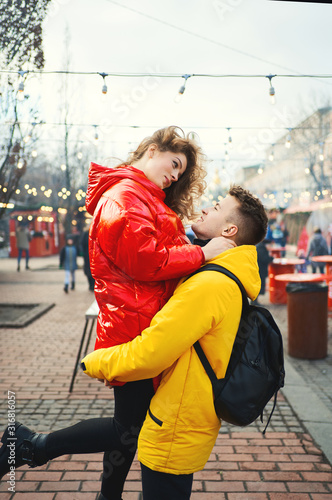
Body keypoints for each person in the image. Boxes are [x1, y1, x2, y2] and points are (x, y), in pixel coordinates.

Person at [0, 127, 232, 499]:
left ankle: (107, 494)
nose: (174, 176)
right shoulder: (125, 197)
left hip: (143, 325)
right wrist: (203, 253)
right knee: (129, 427)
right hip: (133, 329)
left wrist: (189, 240)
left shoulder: (144, 196)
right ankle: (30, 444)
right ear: (152, 150)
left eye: (180, 172)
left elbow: (156, 253)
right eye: (174, 164)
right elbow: (145, 260)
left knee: (128, 426)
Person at [80, 185, 268, 499]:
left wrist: (95, 362)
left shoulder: (210, 284)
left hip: (175, 425)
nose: (207, 208)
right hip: (186, 417)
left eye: (217, 207)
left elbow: (150, 353)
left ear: (229, 229)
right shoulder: (227, 274)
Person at [251, 238, 273, 304]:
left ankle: (255, 301)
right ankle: (254, 302)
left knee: (257, 286)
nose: (271, 247)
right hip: (259, 271)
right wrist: (271, 258)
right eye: (270, 245)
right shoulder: (261, 248)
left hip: (258, 270)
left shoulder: (260, 247)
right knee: (258, 286)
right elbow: (265, 259)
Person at [80, 221, 95, 291]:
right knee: (89, 269)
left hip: (93, 254)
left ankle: (93, 285)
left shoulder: (94, 233)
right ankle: (91, 285)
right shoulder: (86, 234)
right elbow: (82, 244)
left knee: (93, 269)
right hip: (88, 255)